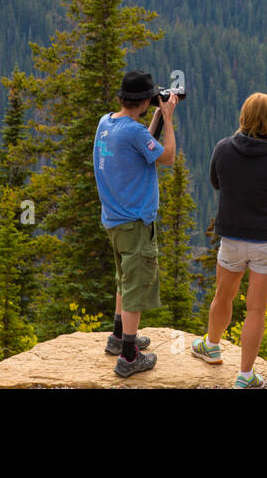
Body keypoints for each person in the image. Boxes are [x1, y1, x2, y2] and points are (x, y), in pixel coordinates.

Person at [192, 92, 267, 388]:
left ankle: (212, 346)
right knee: (256, 309)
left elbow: (216, 182)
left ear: (245, 117)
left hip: (233, 237)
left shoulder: (223, 148)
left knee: (223, 296)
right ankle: (245, 376)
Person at [94, 70, 178, 378]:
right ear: (144, 100)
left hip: (115, 220)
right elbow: (167, 157)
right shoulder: (134, 132)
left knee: (123, 278)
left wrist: (156, 114)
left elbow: (141, 144)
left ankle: (119, 337)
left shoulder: (107, 124)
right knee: (135, 287)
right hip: (136, 222)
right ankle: (129, 357)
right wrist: (167, 118)